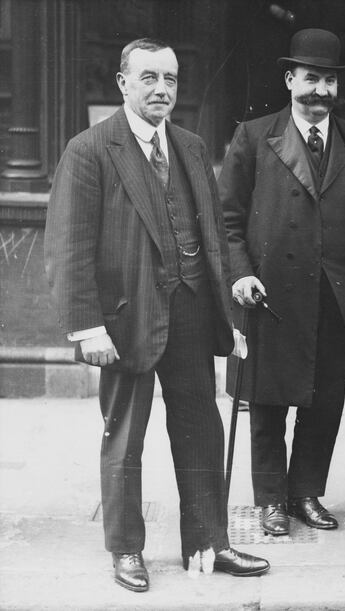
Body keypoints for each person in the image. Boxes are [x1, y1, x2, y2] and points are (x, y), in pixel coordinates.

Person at [43, 38, 269, 593]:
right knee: (125, 437)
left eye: (169, 78)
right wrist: (87, 325)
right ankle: (126, 550)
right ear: (122, 83)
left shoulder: (190, 146)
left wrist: (228, 310)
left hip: (191, 309)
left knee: (201, 428)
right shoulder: (90, 149)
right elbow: (68, 246)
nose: (161, 89)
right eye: (148, 78)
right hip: (125, 320)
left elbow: (212, 234)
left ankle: (208, 542)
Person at [218, 28, 345, 538]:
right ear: (290, 79)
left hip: (338, 296)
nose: (320, 90)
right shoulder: (253, 136)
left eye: (329, 80)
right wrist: (242, 272)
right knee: (267, 400)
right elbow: (227, 218)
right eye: (311, 77)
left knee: (326, 400)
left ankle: (306, 493)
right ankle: (271, 499)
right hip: (270, 294)